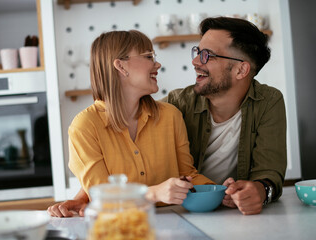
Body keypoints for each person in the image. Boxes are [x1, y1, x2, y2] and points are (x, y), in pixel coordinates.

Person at [48, 30, 214, 218]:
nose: (157, 64)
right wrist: (153, 193)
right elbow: (103, 198)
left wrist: (223, 191)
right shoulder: (85, 127)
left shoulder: (171, 116)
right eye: (148, 56)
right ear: (121, 66)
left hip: (176, 226)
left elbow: (188, 175)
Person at [164, 16, 287, 215]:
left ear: (241, 70)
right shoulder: (177, 103)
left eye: (208, 55)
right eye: (197, 52)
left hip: (235, 220)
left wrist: (261, 191)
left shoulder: (268, 102)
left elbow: (269, 174)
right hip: (180, 214)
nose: (195, 62)